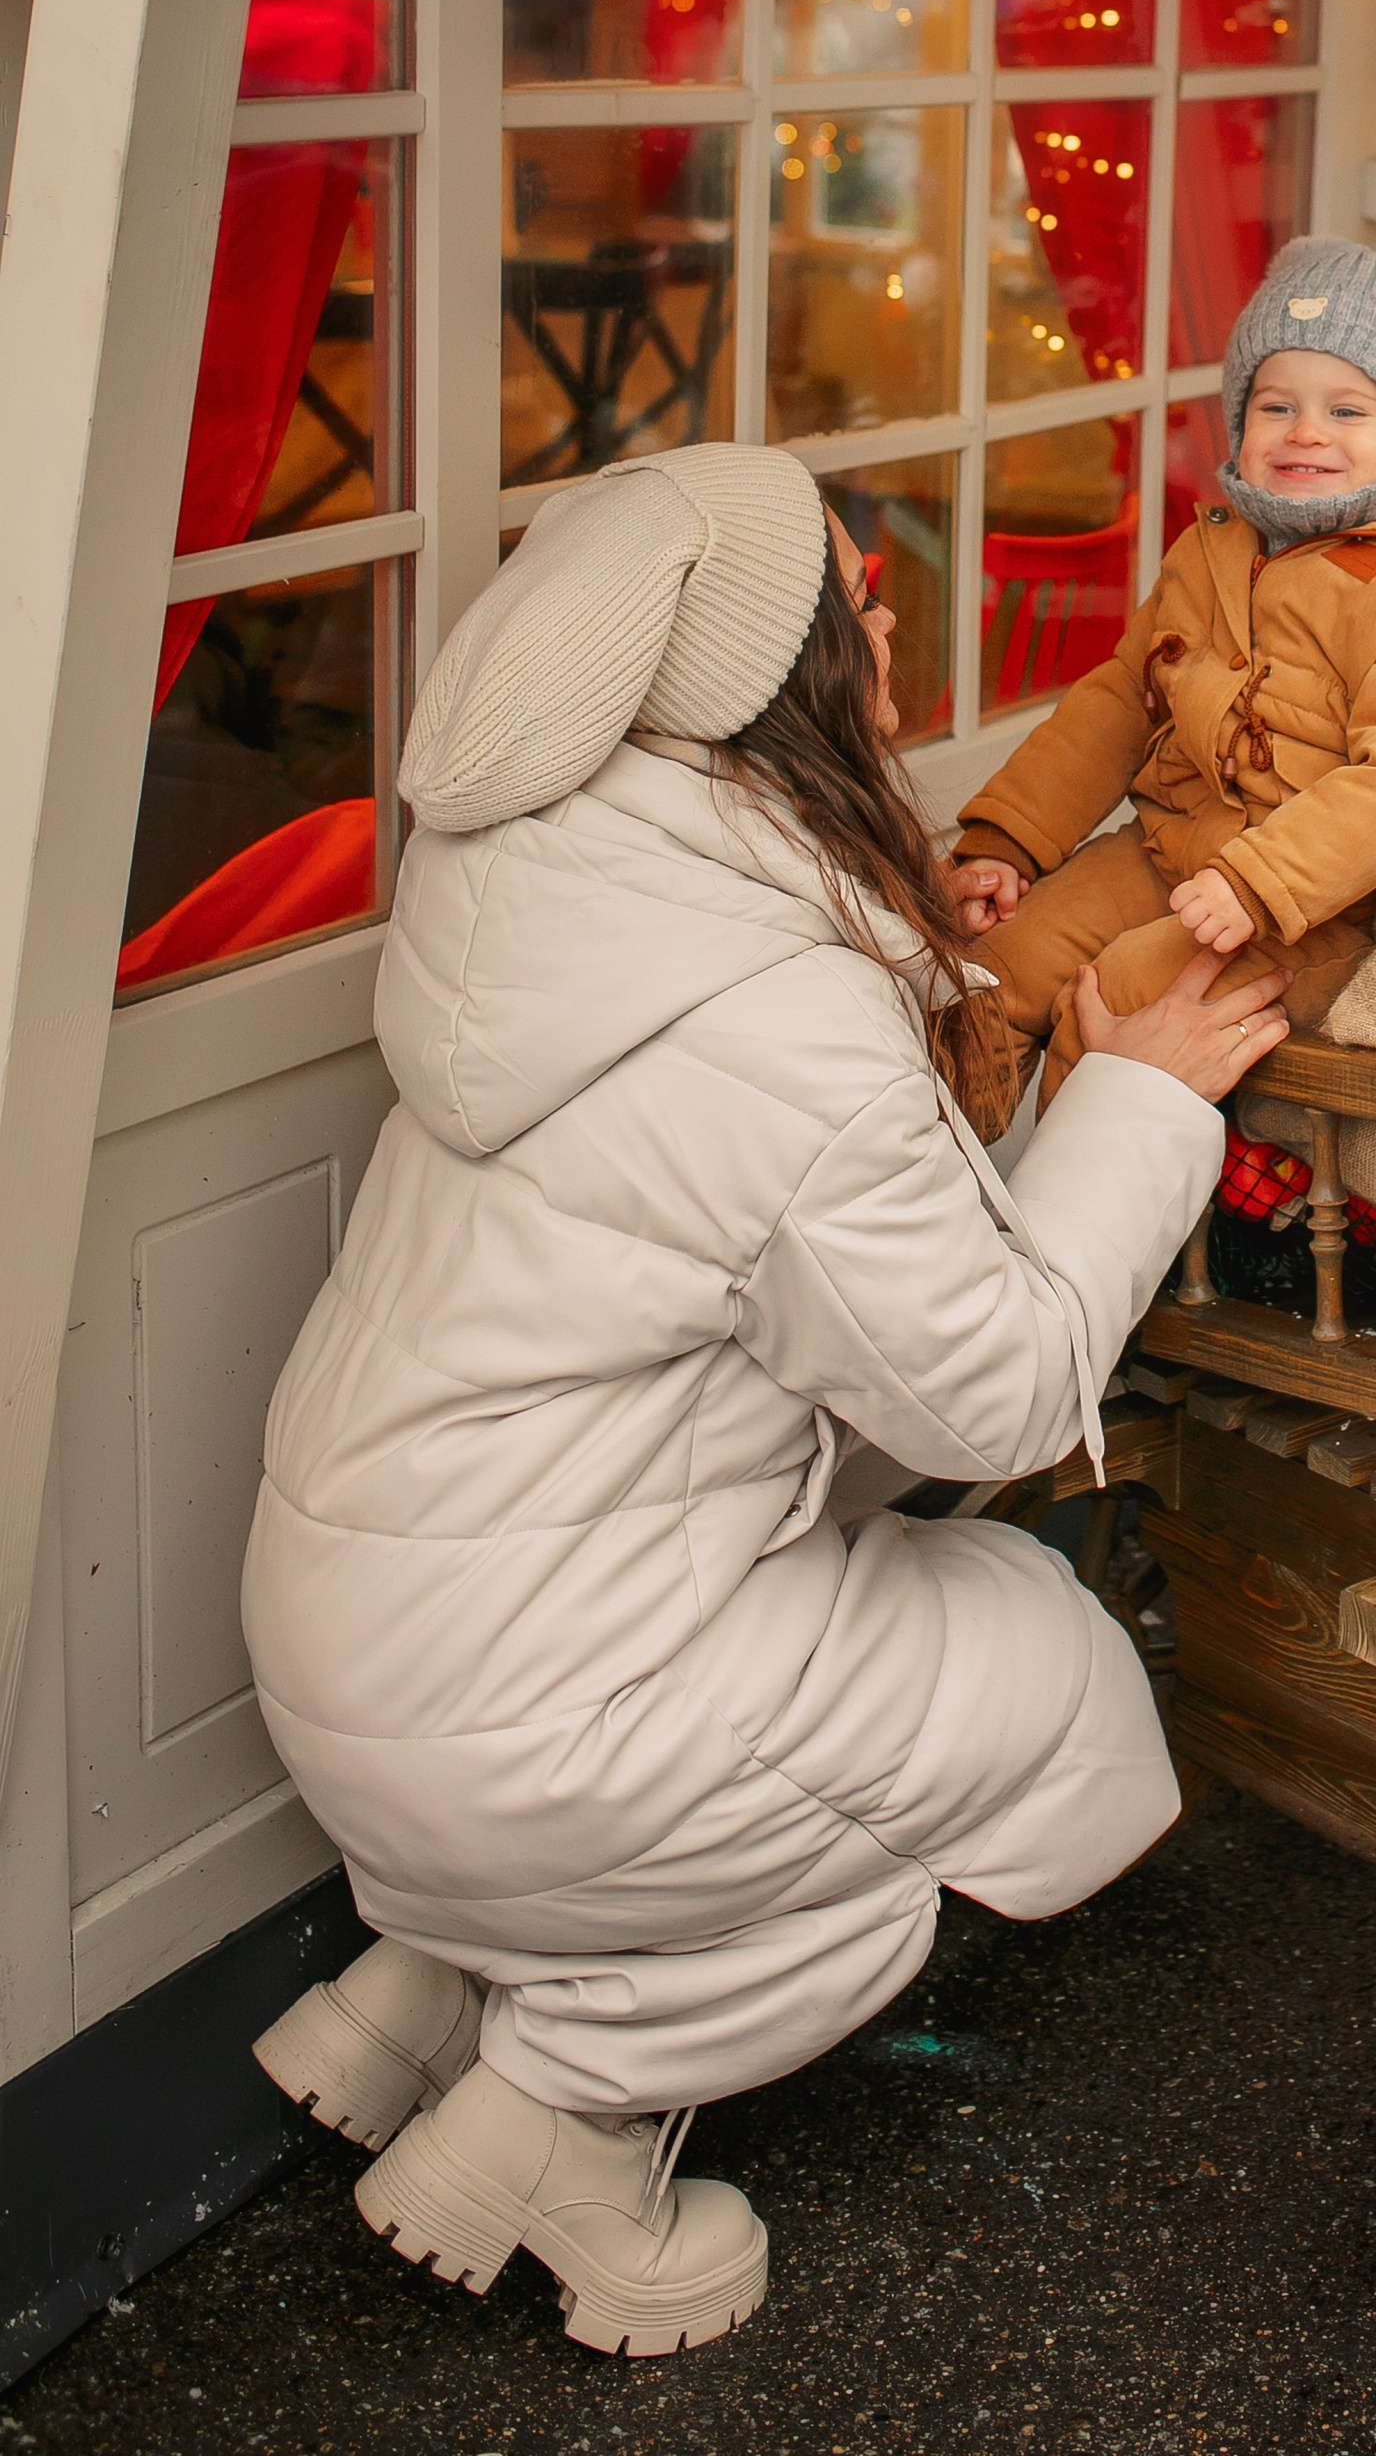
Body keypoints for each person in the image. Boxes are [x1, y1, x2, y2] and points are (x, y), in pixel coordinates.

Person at [241, 442, 1286, 2360]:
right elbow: (994, 1398)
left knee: (798, 1612)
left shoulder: (554, 900)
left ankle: (428, 1993)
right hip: (517, 1720)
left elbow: (794, 1299)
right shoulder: (773, 1019)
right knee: (1026, 1668)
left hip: (357, 1654)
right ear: (769, 674)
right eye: (853, 601)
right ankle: (566, 2125)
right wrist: (1143, 1099)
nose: (890, 620)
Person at [952, 235, 1376, 1095]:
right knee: (994, 972)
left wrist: (1261, 883)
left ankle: (1076, 1181)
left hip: (1316, 911)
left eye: (1348, 411)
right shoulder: (1214, 552)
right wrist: (1008, 841)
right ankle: (935, 1170)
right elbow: (1116, 704)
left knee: (1116, 1004)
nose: (1305, 433)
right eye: (1275, 406)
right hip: (1166, 852)